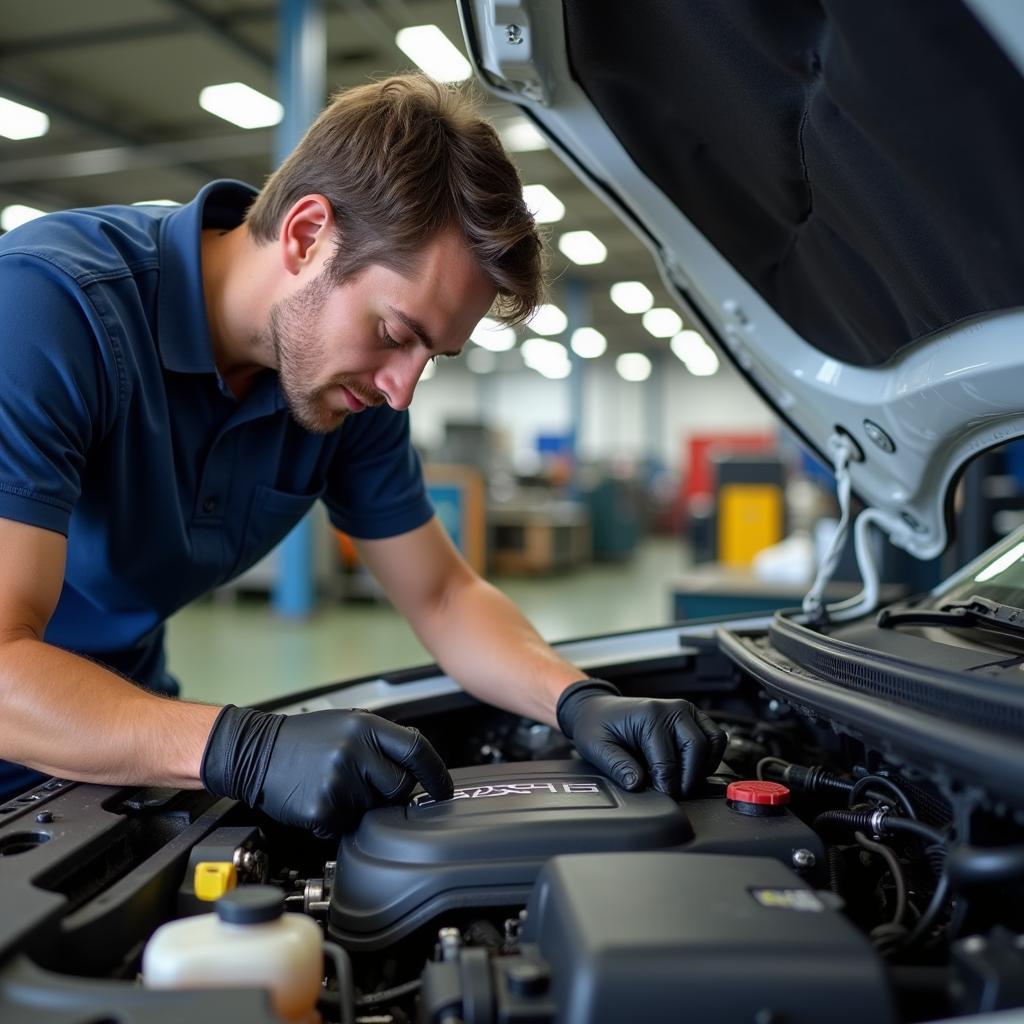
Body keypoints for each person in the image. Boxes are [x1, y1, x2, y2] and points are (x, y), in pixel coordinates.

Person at [0, 74, 725, 837]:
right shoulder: (50, 310)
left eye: (432, 355)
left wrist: (576, 698)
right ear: (307, 235)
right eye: (395, 333)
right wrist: (242, 748)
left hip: (123, 762)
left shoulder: (344, 391)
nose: (402, 390)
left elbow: (443, 594)